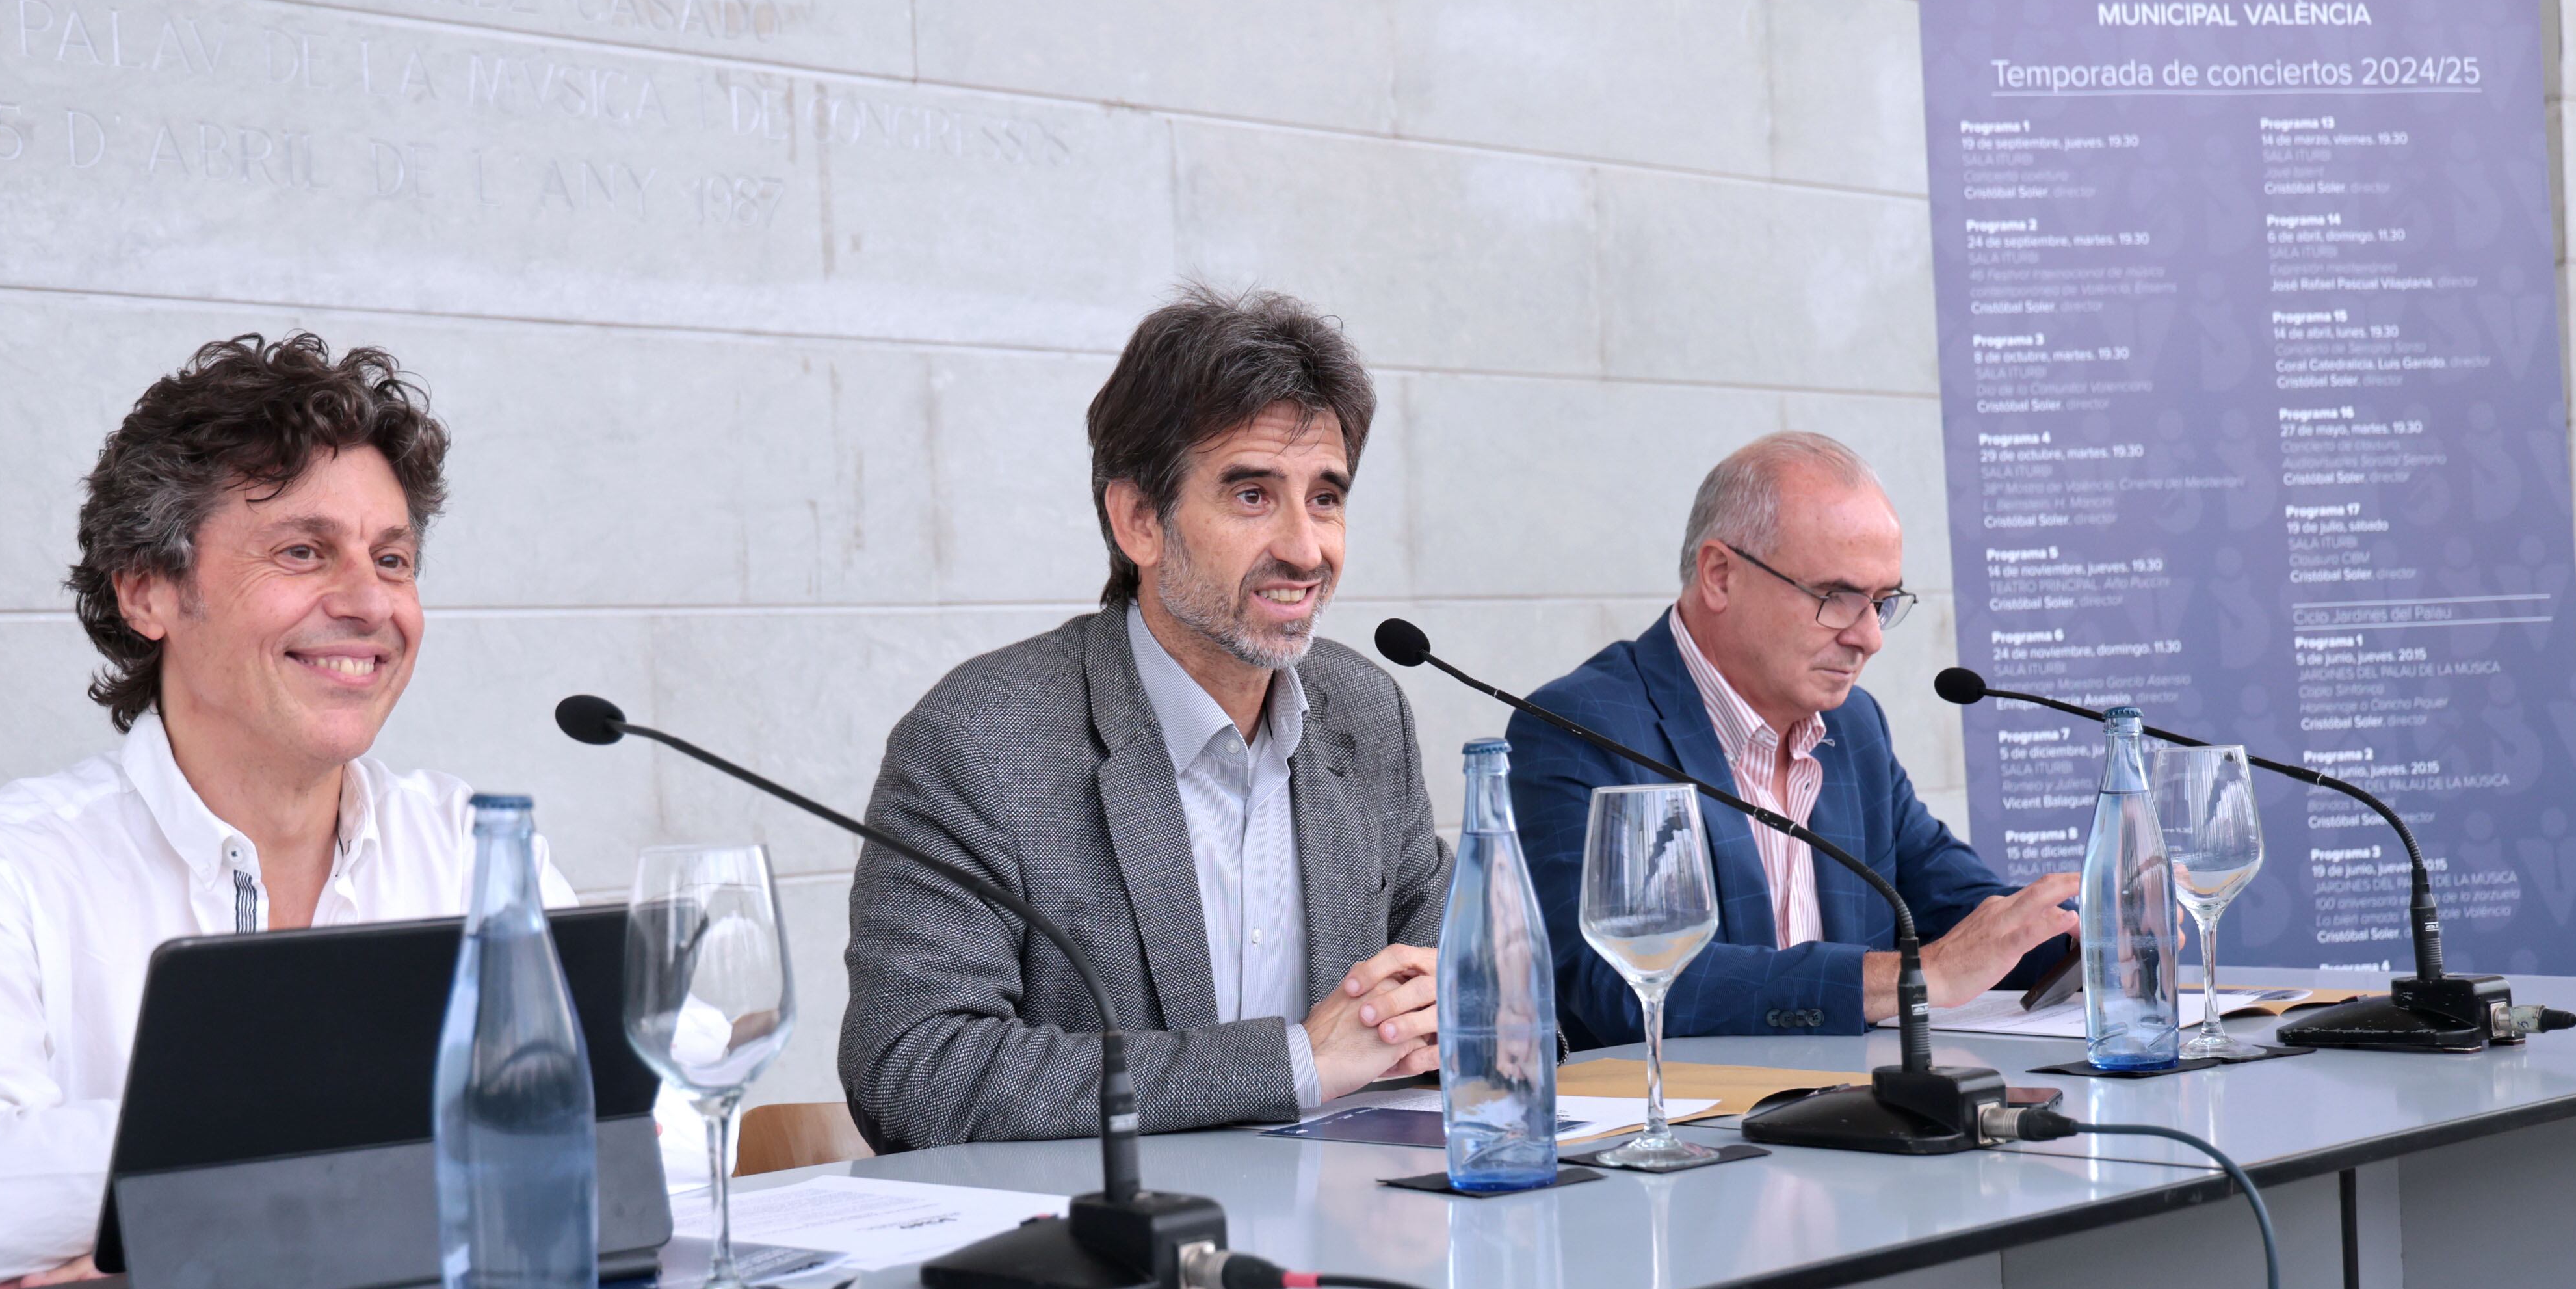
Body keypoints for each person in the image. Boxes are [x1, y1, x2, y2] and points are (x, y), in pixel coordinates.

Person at [0, 335, 569, 1289]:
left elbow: (656, 1131)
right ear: (148, 590)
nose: (370, 601)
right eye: (303, 551)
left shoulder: (476, 847)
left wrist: (197, 1221)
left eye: (393, 558)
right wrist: (396, 1145)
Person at [841, 289, 1450, 1152]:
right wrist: (1291, 1063)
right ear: (1138, 521)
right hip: (1115, 1253)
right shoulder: (979, 741)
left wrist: (1463, 1016)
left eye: (1325, 498)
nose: (1307, 549)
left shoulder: (1365, 714)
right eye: (1251, 495)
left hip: (1355, 1233)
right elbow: (914, 1072)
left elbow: (1467, 990)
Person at [1510, 432, 2077, 1047]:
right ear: (1720, 575)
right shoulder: (1585, 728)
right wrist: (1916, 975)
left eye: (1882, 603)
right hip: (1685, 1127)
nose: (1869, 638)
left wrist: (2082, 934)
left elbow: (1959, 917)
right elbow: (1620, 986)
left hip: (1851, 1110)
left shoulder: (1852, 726)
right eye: (1837, 597)